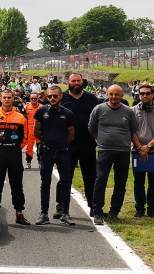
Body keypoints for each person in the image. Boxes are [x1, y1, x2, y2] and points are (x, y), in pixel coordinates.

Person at [87, 85, 141, 225]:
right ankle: (97, 211)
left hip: (123, 151)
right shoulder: (99, 109)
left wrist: (138, 147)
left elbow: (132, 130)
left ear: (122, 96)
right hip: (105, 150)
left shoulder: (128, 112)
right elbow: (91, 128)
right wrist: (102, 139)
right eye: (111, 94)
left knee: (120, 183)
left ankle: (114, 212)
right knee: (101, 180)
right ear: (107, 94)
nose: (113, 97)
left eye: (117, 94)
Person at [0, 89, 30, 225]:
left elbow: (26, 136)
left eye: (9, 97)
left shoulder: (21, 117)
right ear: (1, 98)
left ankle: (19, 213)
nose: (7, 100)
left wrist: (17, 147)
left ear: (12, 99)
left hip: (14, 153)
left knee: (17, 184)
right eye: (5, 97)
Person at [33, 86, 76, 225]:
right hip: (46, 151)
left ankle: (65, 213)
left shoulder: (68, 113)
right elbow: (36, 131)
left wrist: (61, 143)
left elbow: (71, 134)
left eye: (55, 96)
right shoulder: (41, 111)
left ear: (60, 97)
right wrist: (46, 141)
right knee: (45, 183)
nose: (52, 98)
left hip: (62, 152)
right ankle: (44, 213)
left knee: (65, 183)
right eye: (50, 96)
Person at [62, 73, 100, 213]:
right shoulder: (62, 97)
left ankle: (93, 205)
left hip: (88, 143)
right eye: (73, 81)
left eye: (78, 80)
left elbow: (98, 118)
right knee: (65, 176)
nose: (76, 83)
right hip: (68, 144)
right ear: (68, 82)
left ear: (82, 81)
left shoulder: (91, 98)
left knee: (90, 176)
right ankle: (61, 207)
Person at [131, 84, 154, 219]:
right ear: (139, 95)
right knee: (138, 181)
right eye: (142, 94)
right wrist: (140, 147)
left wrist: (149, 146)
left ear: (152, 95)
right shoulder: (132, 111)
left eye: (147, 93)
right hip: (137, 150)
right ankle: (139, 209)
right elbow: (131, 131)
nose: (145, 96)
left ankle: (152, 210)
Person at [23, 93, 42, 169]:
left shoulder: (41, 107)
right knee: (29, 147)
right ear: (30, 99)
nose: (33, 100)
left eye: (35, 98)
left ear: (38, 99)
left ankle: (40, 162)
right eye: (32, 98)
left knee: (40, 147)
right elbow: (24, 118)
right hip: (29, 130)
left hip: (39, 130)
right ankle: (28, 162)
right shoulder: (26, 107)